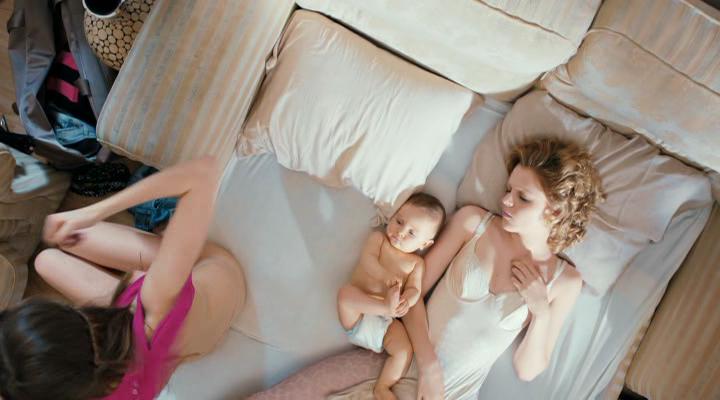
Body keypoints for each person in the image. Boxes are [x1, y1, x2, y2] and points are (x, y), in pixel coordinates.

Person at [250, 138, 604, 400]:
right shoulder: (473, 223)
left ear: (555, 210)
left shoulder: (565, 282)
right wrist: (429, 365)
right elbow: (411, 296)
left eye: (522, 197)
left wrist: (540, 312)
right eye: (509, 189)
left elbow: (528, 369)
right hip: (397, 366)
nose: (506, 200)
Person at [0, 157, 245, 400]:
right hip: (217, 274)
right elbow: (204, 173)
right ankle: (157, 249)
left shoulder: (102, 389)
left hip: (174, 345)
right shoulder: (154, 304)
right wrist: (92, 213)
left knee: (46, 261)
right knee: (76, 234)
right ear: (65, 316)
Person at [337, 193, 445, 400]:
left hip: (385, 325)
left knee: (405, 351)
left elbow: (414, 290)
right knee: (345, 294)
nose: (400, 232)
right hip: (359, 315)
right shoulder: (379, 240)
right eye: (399, 221)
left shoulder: (416, 264)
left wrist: (407, 301)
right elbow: (368, 260)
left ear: (425, 244)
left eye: (412, 233)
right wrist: (385, 277)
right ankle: (385, 307)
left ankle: (383, 387)